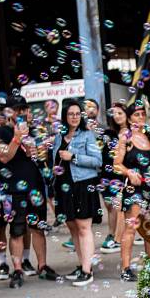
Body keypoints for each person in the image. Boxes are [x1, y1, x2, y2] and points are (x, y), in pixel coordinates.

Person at [0, 96, 57, 288]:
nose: (21, 113)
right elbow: (4, 157)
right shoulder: (1, 131)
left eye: (24, 109)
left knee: (38, 227)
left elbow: (35, 156)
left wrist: (34, 147)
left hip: (34, 186)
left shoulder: (34, 131)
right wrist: (17, 138)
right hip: (12, 189)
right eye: (17, 109)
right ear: (9, 112)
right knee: (17, 230)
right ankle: (18, 269)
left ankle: (43, 265)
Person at [53, 100, 103, 287]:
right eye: (70, 114)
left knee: (83, 227)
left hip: (82, 184)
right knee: (73, 227)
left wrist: (74, 157)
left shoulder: (87, 135)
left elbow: (97, 160)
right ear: (65, 117)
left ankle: (87, 271)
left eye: (77, 113)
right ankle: (83, 263)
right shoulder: (60, 136)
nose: (74, 117)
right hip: (64, 184)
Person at [114, 104, 150, 281]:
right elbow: (117, 163)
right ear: (129, 118)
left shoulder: (149, 136)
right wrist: (129, 172)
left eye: (142, 114)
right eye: (136, 115)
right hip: (134, 188)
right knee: (131, 227)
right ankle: (126, 268)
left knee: (149, 228)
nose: (140, 118)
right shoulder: (126, 137)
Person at [98, 102, 128, 254]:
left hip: (122, 175)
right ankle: (112, 234)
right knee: (110, 207)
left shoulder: (131, 133)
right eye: (114, 114)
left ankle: (117, 237)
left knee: (118, 206)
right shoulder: (108, 134)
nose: (117, 116)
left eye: (120, 113)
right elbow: (101, 154)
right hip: (107, 174)